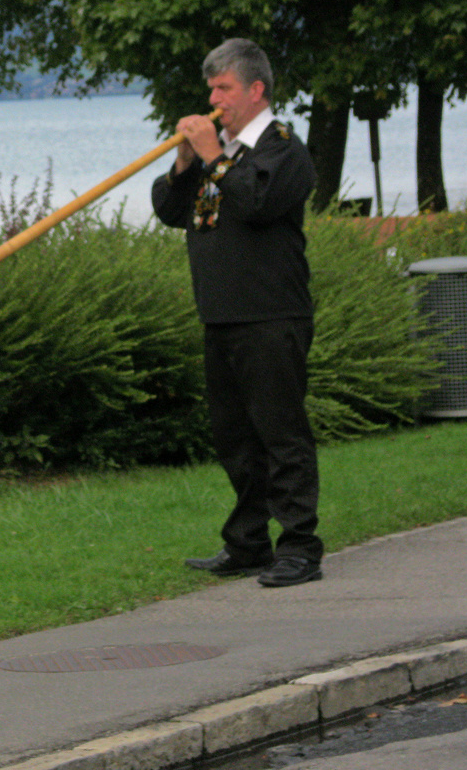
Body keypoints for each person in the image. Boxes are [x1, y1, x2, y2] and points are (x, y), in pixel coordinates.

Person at [151, 38, 323, 588]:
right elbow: (170, 211)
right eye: (210, 88)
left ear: (255, 89)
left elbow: (256, 203)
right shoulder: (217, 152)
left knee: (281, 434)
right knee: (235, 439)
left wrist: (212, 157)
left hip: (272, 314)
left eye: (222, 87)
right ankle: (248, 543)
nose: (213, 98)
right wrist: (183, 164)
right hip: (220, 314)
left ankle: (299, 546)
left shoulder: (282, 149)